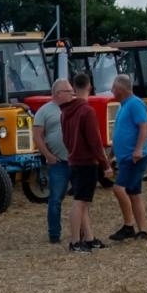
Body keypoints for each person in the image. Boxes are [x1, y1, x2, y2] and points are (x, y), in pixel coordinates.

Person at [60, 71, 112, 252]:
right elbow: (95, 142)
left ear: (74, 88)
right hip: (86, 162)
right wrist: (105, 164)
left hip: (74, 160)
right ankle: (75, 241)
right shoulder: (87, 111)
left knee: (84, 202)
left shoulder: (65, 112)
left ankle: (89, 238)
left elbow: (65, 138)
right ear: (89, 86)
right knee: (80, 202)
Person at [107, 72, 147, 243]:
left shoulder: (135, 104)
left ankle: (128, 226)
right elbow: (119, 133)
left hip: (134, 157)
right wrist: (111, 155)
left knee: (119, 189)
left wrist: (138, 149)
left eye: (113, 87)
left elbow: (144, 127)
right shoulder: (122, 106)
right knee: (134, 192)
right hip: (125, 157)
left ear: (120, 89)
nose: (111, 90)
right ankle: (143, 230)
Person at [32, 78, 73, 244]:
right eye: (68, 91)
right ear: (58, 93)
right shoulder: (44, 111)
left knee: (81, 199)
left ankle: (83, 232)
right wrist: (48, 156)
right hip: (58, 163)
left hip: (77, 161)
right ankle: (54, 234)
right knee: (55, 199)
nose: (72, 94)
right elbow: (37, 136)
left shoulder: (75, 108)